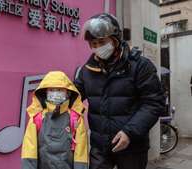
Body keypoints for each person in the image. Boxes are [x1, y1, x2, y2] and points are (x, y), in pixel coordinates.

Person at [74, 13, 165, 169]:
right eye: (93, 44)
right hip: (100, 146)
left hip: (132, 146)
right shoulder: (87, 70)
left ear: (115, 40)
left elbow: (154, 103)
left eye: (101, 42)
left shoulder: (140, 66)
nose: (97, 48)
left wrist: (130, 132)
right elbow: (73, 97)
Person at [21, 71, 89, 169]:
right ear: (46, 92)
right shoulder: (37, 118)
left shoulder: (76, 119)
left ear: (68, 93)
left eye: (59, 90)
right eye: (52, 90)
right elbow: (29, 152)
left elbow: (81, 155)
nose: (55, 93)